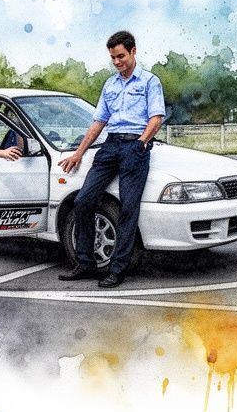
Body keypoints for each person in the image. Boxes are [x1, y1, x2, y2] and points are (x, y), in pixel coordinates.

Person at [57, 31, 165, 288]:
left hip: (135, 147)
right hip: (110, 145)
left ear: (133, 51)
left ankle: (117, 269)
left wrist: (141, 144)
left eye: (121, 56)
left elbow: (156, 118)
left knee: (128, 208)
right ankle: (85, 263)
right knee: (83, 200)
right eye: (113, 58)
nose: (117, 62)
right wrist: (79, 152)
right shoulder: (110, 85)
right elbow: (98, 121)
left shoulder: (150, 82)